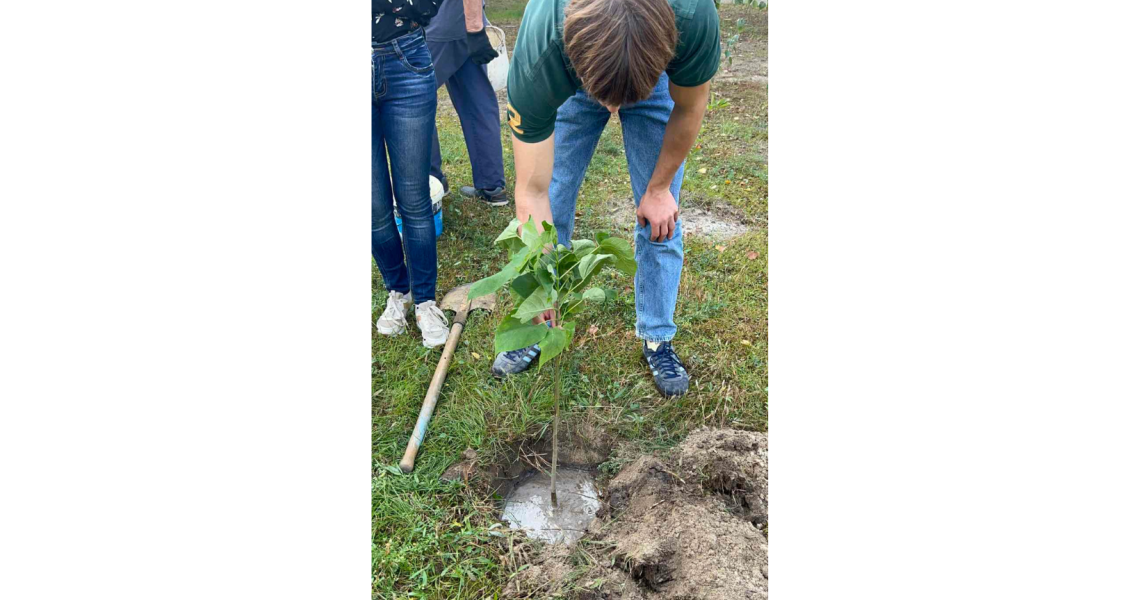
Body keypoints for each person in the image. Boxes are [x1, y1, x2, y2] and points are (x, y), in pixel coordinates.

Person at [490, 0, 720, 397]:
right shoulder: (542, 47)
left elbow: (690, 104)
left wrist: (659, 188)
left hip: (652, 69)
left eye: (620, 101)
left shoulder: (693, 15)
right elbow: (532, 190)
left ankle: (657, 336)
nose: (613, 110)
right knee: (552, 198)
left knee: (661, 221)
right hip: (577, 74)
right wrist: (542, 278)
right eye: (609, 100)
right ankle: (538, 324)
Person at [372, 0, 452, 348]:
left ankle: (424, 301)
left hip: (406, 59)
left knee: (413, 197)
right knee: (372, 205)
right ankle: (398, 291)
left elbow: (427, 5)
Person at [425, 0, 508, 207]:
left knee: (415, 102)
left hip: (443, 23)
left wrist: (474, 29)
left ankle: (431, 183)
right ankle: (492, 186)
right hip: (466, 23)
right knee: (477, 102)